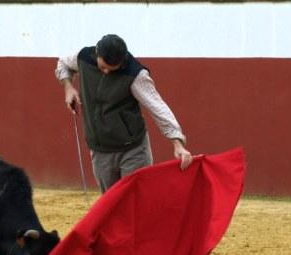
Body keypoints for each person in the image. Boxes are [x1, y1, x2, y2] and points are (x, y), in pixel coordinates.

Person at [56, 34, 193, 193]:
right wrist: (68, 87)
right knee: (111, 204)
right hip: (100, 151)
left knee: (135, 201)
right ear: (97, 54)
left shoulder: (135, 74)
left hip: (132, 151)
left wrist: (177, 142)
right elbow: (62, 64)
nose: (106, 72)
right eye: (102, 67)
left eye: (112, 69)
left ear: (122, 62)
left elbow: (157, 107)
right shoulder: (84, 57)